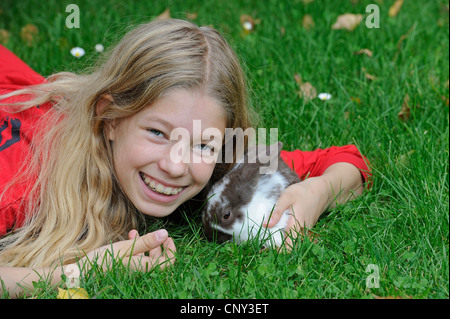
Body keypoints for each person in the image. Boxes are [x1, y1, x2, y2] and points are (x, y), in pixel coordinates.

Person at [0, 19, 370, 297]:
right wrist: (78, 272)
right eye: (157, 133)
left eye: (204, 145)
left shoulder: (215, 159)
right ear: (109, 117)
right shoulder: (21, 174)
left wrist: (317, 192)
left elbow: (347, 162)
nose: (176, 165)